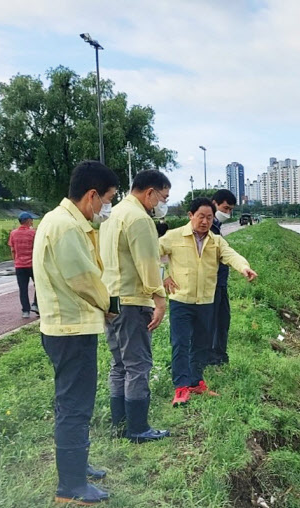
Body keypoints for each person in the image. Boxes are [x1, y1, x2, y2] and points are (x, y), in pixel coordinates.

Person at [33, 160, 119, 505]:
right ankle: (70, 486)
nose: (106, 207)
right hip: (69, 330)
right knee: (74, 405)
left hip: (67, 327)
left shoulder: (64, 221)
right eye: (108, 199)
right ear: (92, 195)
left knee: (75, 402)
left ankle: (77, 464)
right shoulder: (66, 227)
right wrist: (112, 306)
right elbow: (84, 279)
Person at [160, 197, 258, 407]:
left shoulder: (215, 241)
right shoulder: (174, 236)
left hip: (205, 301)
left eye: (209, 217)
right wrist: (164, 275)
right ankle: (181, 387)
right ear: (191, 216)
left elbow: (231, 255)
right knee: (180, 343)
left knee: (202, 343)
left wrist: (244, 268)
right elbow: (150, 255)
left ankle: (196, 381)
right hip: (181, 301)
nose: (205, 221)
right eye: (201, 216)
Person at [100, 170, 171, 444]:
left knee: (119, 364)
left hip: (112, 298)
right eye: (162, 197)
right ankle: (138, 428)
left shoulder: (113, 214)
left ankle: (120, 424)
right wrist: (160, 299)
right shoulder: (139, 218)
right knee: (138, 364)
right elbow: (148, 263)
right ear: (149, 192)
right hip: (131, 299)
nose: (161, 203)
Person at [208, 189, 236, 366]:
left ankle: (218, 355)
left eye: (230, 209)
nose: (228, 213)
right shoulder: (209, 227)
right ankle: (214, 357)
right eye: (225, 208)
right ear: (214, 203)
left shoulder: (217, 226)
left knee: (222, 319)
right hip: (213, 282)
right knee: (215, 321)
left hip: (220, 281)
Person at [8, 211, 38, 318]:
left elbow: (12, 249)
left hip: (20, 265)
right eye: (32, 220)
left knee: (23, 289)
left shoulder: (13, 233)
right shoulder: (33, 233)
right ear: (28, 221)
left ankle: (25, 311)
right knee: (39, 286)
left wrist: (15, 261)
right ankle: (36, 305)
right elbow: (36, 248)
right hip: (33, 264)